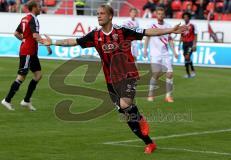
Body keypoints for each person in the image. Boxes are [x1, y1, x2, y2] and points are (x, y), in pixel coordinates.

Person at [41, 4, 186, 154]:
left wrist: (170, 30)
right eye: (97, 13)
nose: (99, 16)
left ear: (110, 16)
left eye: (102, 13)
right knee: (125, 113)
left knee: (125, 104)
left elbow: (147, 32)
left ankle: (140, 117)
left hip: (128, 75)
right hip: (111, 80)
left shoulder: (122, 31)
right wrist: (52, 42)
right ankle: (149, 142)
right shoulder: (95, 35)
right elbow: (74, 42)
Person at [1, 1, 45, 111]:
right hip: (28, 52)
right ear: (34, 8)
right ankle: (7, 100)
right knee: (21, 76)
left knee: (38, 75)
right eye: (39, 7)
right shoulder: (33, 19)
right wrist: (47, 44)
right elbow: (35, 35)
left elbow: (16, 33)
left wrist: (24, 40)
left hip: (31, 52)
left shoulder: (24, 18)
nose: (41, 8)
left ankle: (26, 100)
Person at [144, 7, 178, 103]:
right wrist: (145, 49)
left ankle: (168, 96)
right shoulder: (151, 25)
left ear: (164, 15)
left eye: (162, 14)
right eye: (158, 14)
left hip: (165, 53)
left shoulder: (168, 26)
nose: (160, 15)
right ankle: (151, 94)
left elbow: (170, 39)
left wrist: (174, 51)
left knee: (170, 74)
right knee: (156, 73)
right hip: (155, 54)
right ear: (156, 14)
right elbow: (147, 38)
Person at [179, 12, 197, 78]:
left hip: (190, 43)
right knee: (186, 58)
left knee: (187, 56)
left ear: (189, 18)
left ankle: (192, 70)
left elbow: (195, 35)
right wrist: (179, 44)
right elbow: (181, 36)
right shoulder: (183, 27)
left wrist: (194, 44)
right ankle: (188, 73)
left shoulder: (192, 26)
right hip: (184, 44)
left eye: (186, 17)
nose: (185, 18)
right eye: (184, 17)